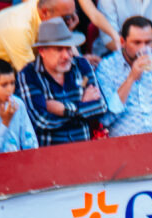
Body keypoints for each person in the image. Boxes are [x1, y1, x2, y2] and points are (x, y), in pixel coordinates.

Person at [17, 17, 108, 146]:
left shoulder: (82, 65)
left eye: (69, 48)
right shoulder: (28, 74)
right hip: (49, 154)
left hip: (85, 149)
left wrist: (63, 109)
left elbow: (101, 107)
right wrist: (82, 105)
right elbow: (42, 121)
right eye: (59, 49)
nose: (66, 55)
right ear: (42, 51)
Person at [96, 15, 152, 136]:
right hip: (123, 143)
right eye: (137, 43)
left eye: (148, 42)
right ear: (123, 42)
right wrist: (131, 79)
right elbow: (106, 118)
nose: (143, 48)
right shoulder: (106, 67)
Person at [0, 0, 77, 72]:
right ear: (45, 12)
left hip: (12, 65)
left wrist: (79, 59)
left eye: (73, 15)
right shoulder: (20, 27)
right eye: (67, 17)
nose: (71, 22)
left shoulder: (44, 6)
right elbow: (31, 73)